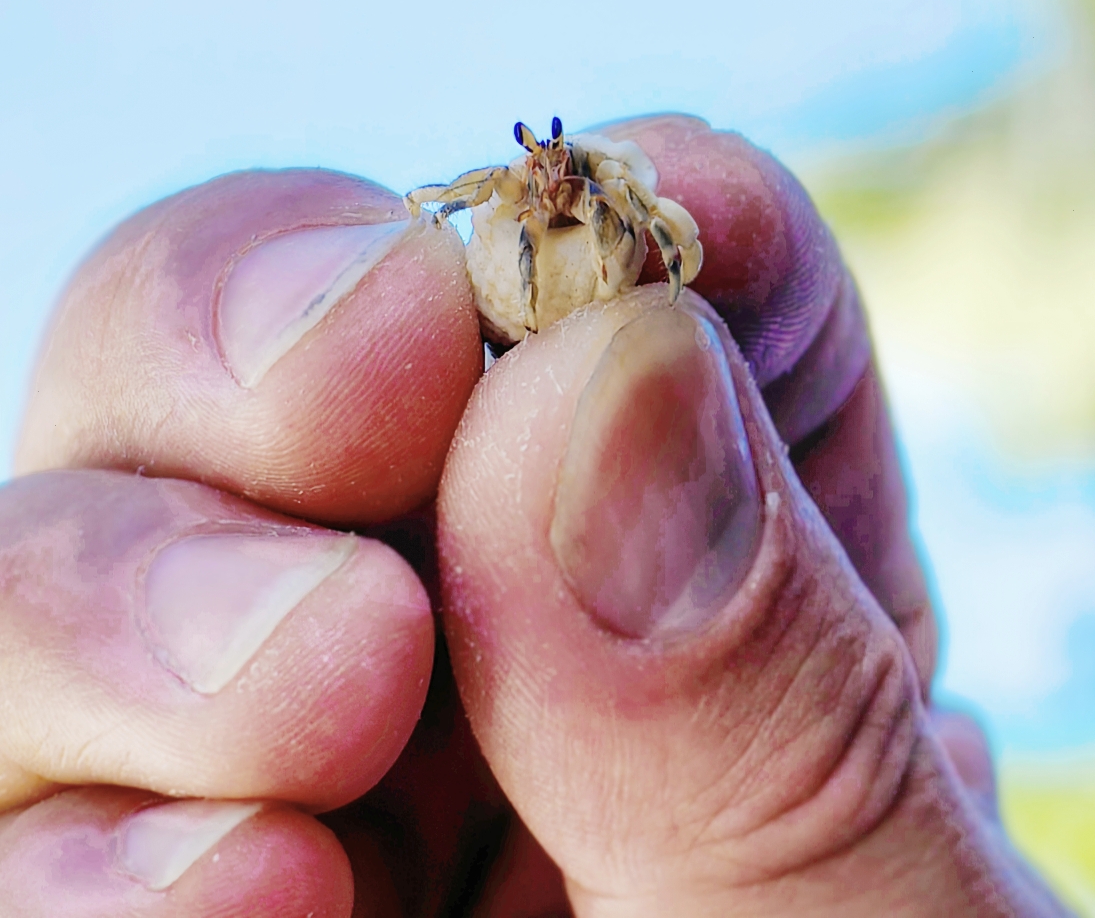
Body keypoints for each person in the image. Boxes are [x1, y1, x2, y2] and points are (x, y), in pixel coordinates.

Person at [0, 114, 1071, 916]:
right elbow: (454, 208)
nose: (547, 176)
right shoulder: (513, 205)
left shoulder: (616, 203)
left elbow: (680, 240)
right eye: (535, 166)